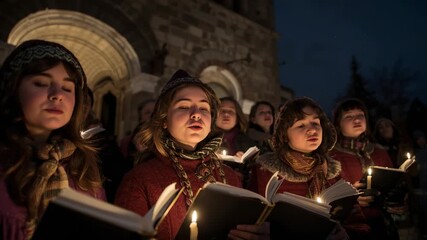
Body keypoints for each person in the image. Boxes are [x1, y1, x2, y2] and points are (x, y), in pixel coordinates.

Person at [114, 69, 270, 240]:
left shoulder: (230, 176)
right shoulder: (139, 179)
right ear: (164, 119)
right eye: (184, 106)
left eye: (204, 108)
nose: (196, 114)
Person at [0, 39, 105, 240]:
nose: (57, 95)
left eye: (67, 88)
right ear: (12, 89)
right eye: (41, 83)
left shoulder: (81, 163)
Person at [248, 97, 370, 239]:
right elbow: (250, 221)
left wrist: (346, 235)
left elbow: (358, 224)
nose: (312, 130)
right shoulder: (264, 171)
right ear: (285, 134)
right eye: (300, 125)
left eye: (315, 123)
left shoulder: (332, 173)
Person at [329, 98, 401, 239]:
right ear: (338, 123)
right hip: (349, 229)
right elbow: (327, 195)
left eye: (360, 115)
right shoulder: (332, 157)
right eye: (349, 116)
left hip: (383, 226)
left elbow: (393, 184)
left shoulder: (379, 152)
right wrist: (351, 199)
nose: (356, 120)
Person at [81, 88, 131, 203]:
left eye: (87, 102)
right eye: (80, 100)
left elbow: (116, 173)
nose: (83, 106)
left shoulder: (102, 139)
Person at [216, 96, 256, 183]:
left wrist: (244, 164)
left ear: (237, 116)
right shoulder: (202, 138)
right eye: (222, 111)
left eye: (231, 111)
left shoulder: (248, 143)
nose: (226, 114)